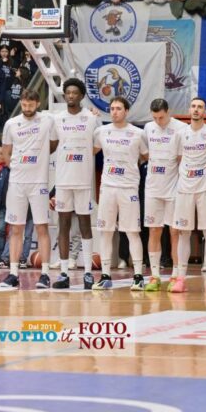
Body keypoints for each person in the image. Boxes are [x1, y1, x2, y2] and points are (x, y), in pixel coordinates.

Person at [0, 89, 56, 289]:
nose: (27, 108)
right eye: (24, 104)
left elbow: (54, 143)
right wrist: (14, 167)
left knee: (41, 227)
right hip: (17, 182)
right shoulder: (11, 123)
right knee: (16, 228)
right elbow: (6, 151)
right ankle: (13, 273)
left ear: (38, 104)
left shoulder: (48, 120)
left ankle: (45, 274)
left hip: (39, 182)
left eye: (31, 105)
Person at [91, 96, 148, 291]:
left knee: (132, 232)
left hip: (129, 188)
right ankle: (105, 275)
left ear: (126, 111)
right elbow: (90, 152)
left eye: (118, 108)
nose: (114, 112)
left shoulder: (138, 133)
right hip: (107, 187)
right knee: (105, 231)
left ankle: (138, 276)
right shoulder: (101, 131)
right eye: (112, 108)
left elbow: (147, 157)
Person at [51, 79, 101, 290]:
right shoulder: (57, 119)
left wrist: (83, 157)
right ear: (64, 96)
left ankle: (88, 273)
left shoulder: (92, 118)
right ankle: (64, 273)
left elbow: (97, 146)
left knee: (84, 225)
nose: (71, 96)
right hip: (63, 181)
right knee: (63, 225)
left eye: (74, 93)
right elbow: (52, 145)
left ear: (81, 96)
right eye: (68, 93)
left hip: (83, 181)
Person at [172, 97, 206, 294]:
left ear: (205, 112)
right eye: (193, 106)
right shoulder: (180, 134)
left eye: (200, 107)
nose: (196, 109)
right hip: (185, 188)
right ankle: (181, 278)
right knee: (183, 233)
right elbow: (178, 158)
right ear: (189, 110)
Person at [138, 98, 185, 292]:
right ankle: (155, 275)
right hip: (152, 188)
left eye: (162, 117)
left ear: (169, 112)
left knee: (175, 232)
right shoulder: (148, 128)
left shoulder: (181, 128)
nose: (158, 121)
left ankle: (176, 275)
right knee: (154, 230)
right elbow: (144, 153)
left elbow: (182, 158)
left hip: (173, 187)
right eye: (155, 117)